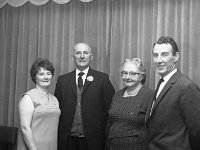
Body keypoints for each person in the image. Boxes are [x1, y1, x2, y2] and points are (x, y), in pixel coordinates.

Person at [54, 43, 115, 150]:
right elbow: (57, 109)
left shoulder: (103, 79)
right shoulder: (62, 80)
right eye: (78, 53)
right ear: (73, 57)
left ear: (91, 57)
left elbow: (109, 110)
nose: (82, 56)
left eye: (85, 53)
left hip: (93, 140)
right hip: (67, 140)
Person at [146, 36, 200, 150]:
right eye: (155, 55)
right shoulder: (162, 83)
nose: (158, 60)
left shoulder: (186, 86)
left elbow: (197, 131)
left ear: (176, 56)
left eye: (164, 54)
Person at [108, 58, 154, 150]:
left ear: (141, 76)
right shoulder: (117, 95)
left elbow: (154, 128)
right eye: (125, 73)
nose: (128, 77)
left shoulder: (149, 95)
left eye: (133, 74)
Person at [17, 58, 61, 150]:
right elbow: (24, 128)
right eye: (41, 74)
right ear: (35, 77)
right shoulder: (28, 97)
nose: (46, 77)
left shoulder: (55, 99)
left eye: (48, 74)